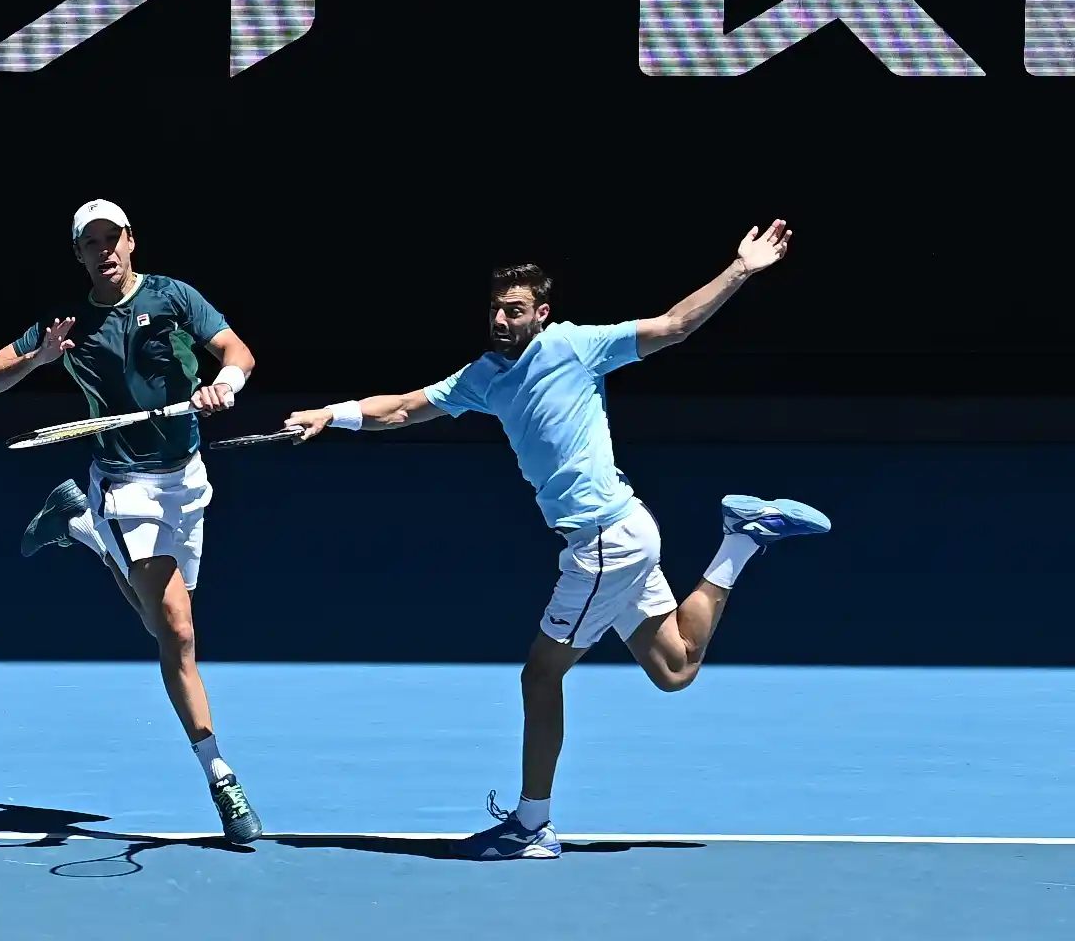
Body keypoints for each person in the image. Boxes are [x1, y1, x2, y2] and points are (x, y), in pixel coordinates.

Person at [282, 220, 830, 861]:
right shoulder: (484, 376)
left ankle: (531, 825)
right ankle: (742, 541)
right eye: (495, 308)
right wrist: (332, 415)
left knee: (541, 675)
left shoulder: (576, 346)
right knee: (676, 668)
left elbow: (675, 325)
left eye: (514, 310)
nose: (501, 319)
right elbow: (401, 408)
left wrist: (741, 268)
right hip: (622, 534)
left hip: (606, 543)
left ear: (541, 314)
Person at [0, 199, 263, 844]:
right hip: (125, 484)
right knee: (179, 633)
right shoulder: (66, 323)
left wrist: (226, 384)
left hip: (187, 480)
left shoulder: (174, 297)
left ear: (131, 241)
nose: (104, 250)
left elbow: (236, 351)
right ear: (78, 254)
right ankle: (220, 775)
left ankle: (80, 527)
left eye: (113, 238)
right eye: (91, 243)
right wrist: (39, 358)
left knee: (161, 629)